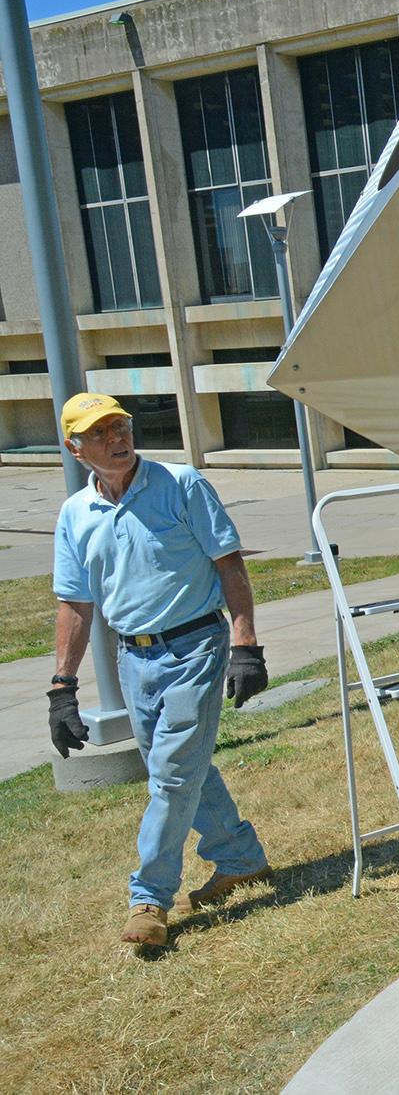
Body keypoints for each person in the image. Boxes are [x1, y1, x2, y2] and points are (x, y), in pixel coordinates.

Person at [49, 393, 273, 948]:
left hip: (196, 644)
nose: (117, 438)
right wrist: (62, 687)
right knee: (182, 769)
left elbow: (229, 564)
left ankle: (149, 897)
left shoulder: (181, 484)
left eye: (121, 426)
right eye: (100, 433)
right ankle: (240, 856)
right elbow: (75, 604)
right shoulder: (75, 514)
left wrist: (246, 645)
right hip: (134, 659)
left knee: (171, 775)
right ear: (76, 449)